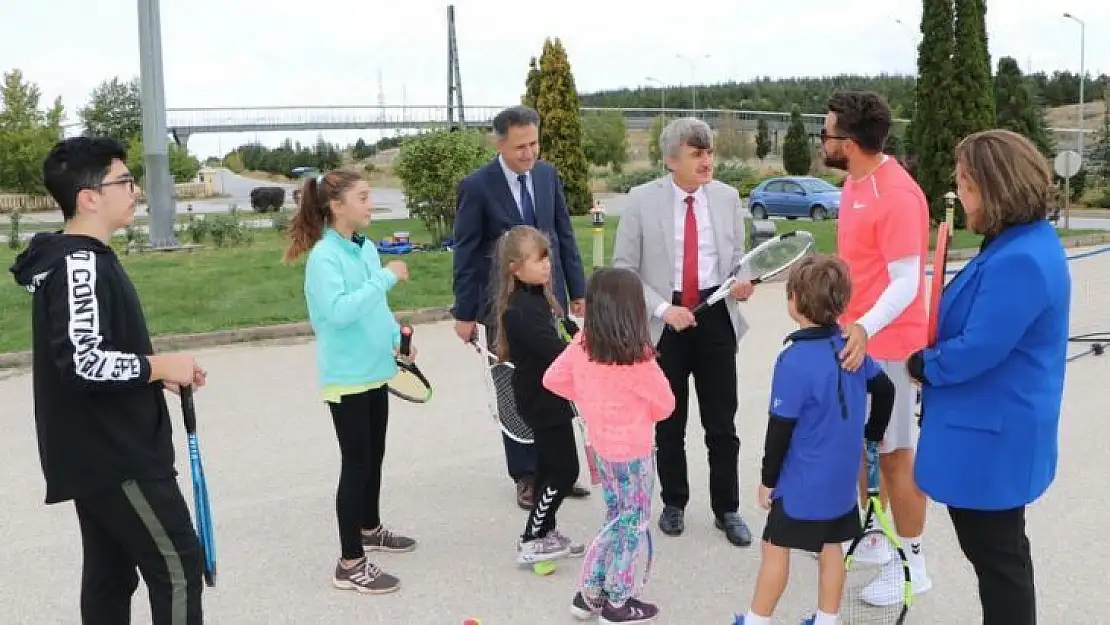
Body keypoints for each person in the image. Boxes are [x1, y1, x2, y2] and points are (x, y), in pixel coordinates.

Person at [9, 136, 207, 624]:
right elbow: (83, 362)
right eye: (124, 180)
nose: (134, 190)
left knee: (110, 576)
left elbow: (93, 354)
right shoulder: (79, 262)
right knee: (179, 566)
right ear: (89, 197)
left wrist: (152, 372)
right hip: (116, 456)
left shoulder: (86, 258)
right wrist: (159, 367)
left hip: (102, 450)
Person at [909, 129, 1070, 625]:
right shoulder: (1018, 242)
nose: (958, 195)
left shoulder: (1019, 257)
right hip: (998, 430)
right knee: (1002, 558)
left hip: (991, 440)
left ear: (997, 188)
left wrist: (924, 366)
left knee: (998, 563)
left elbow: (980, 346)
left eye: (966, 184)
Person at [611, 117, 755, 547]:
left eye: (709, 152)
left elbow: (738, 257)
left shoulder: (727, 198)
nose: (707, 161)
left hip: (715, 317)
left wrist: (742, 279)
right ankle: (674, 503)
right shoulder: (641, 200)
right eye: (697, 154)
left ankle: (727, 509)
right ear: (672, 160)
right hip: (664, 322)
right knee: (668, 423)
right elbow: (623, 269)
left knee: (721, 423)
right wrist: (662, 308)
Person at [734, 255, 895, 625]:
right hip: (840, 480)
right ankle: (827, 619)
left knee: (775, 548)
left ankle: (757, 620)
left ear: (794, 300)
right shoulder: (850, 347)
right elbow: (884, 389)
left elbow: (780, 428)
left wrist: (767, 480)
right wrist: (873, 435)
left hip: (801, 481)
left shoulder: (793, 360)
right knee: (830, 547)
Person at [821, 90, 933, 602]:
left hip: (890, 344)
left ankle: (913, 567)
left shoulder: (899, 195)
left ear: (849, 142)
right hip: (857, 337)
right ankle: (876, 537)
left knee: (895, 456)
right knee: (866, 446)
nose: (822, 140)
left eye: (826, 133)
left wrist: (864, 325)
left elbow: (907, 281)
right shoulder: (853, 183)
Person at [283, 170, 417, 595]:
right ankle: (350, 561)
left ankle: (369, 528)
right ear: (336, 205)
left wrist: (398, 341)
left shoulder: (365, 248)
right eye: (362, 197)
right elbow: (339, 312)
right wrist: (388, 276)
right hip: (347, 379)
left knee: (374, 456)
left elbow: (375, 307)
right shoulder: (325, 257)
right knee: (355, 464)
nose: (369, 204)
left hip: (376, 371)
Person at [452, 104, 591, 509]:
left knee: (556, 382)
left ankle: (557, 471)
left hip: (550, 298)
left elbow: (562, 234)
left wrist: (576, 291)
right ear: (500, 144)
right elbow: (465, 251)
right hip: (504, 307)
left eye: (534, 143)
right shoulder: (477, 186)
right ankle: (526, 475)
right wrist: (464, 313)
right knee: (514, 388)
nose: (529, 153)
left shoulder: (547, 176)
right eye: (520, 147)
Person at [544, 267, 675, 625]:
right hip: (634, 454)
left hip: (601, 448)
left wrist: (588, 398)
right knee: (632, 524)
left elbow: (552, 379)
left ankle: (590, 593)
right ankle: (619, 601)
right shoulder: (639, 360)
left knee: (615, 519)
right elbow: (666, 406)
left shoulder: (582, 348)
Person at [491, 225, 587, 565]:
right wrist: (590, 350)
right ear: (515, 268)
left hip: (553, 398)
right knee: (565, 471)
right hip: (541, 401)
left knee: (548, 469)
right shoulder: (521, 310)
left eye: (548, 259)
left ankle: (546, 533)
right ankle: (532, 537)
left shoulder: (538, 299)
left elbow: (567, 333)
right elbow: (557, 351)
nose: (547, 266)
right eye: (538, 260)